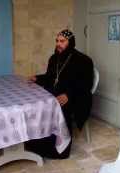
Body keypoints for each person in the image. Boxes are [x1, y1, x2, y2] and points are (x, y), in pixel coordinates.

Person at [25, 29, 94, 159]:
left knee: (57, 106)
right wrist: (37, 78)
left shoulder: (83, 60)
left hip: (77, 96)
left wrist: (69, 95)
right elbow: (51, 77)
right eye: (57, 41)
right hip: (56, 92)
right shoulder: (54, 58)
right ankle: (35, 141)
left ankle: (60, 149)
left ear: (70, 42)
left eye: (62, 41)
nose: (58, 44)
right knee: (38, 103)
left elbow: (86, 85)